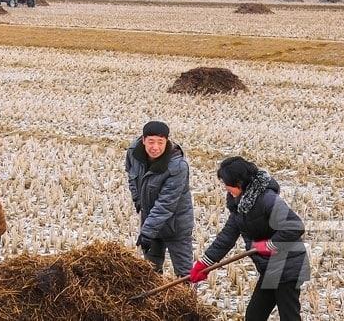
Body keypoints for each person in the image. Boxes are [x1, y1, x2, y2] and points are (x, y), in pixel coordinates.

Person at [189, 157, 309, 321]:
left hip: (287, 267)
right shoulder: (240, 204)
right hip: (270, 269)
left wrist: (270, 245)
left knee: (289, 317)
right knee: (254, 316)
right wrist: (204, 264)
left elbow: (295, 226)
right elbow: (227, 237)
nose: (225, 187)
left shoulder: (267, 199)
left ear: (239, 182)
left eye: (227, 183)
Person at [125, 120, 194, 277]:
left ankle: (189, 301)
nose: (155, 147)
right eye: (151, 142)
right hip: (150, 220)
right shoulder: (133, 153)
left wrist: (147, 232)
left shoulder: (178, 166)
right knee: (150, 273)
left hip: (176, 226)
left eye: (160, 142)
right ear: (143, 140)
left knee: (185, 275)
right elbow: (132, 177)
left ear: (167, 142)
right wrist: (138, 201)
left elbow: (166, 204)